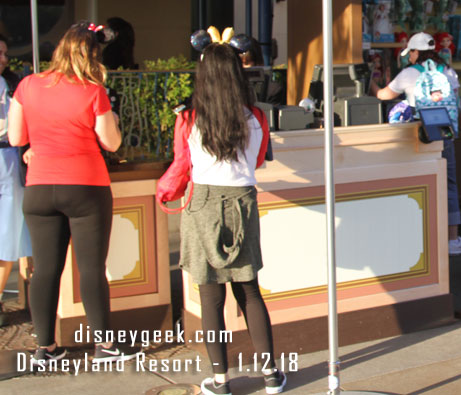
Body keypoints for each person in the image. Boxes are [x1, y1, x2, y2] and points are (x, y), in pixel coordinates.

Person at [7, 22, 138, 365]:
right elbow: (111, 142)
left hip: (39, 187)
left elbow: (17, 137)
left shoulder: (27, 85)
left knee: (46, 270)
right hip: (85, 186)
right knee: (92, 268)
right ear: (93, 56)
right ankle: (104, 345)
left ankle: (45, 348)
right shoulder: (92, 92)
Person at [168, 43, 286, 395]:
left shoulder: (187, 118)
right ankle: (270, 375)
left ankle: (220, 382)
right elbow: (262, 159)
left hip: (202, 202)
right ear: (238, 73)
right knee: (249, 291)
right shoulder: (256, 116)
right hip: (243, 203)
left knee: (210, 297)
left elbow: (180, 164)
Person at [373, 32, 461, 256]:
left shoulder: (409, 73)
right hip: (444, 132)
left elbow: (384, 96)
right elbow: (454, 99)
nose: (409, 57)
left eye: (410, 52)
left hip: (418, 134)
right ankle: (451, 239)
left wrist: (372, 84)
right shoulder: (447, 71)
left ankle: (418, 235)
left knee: (416, 183)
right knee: (449, 184)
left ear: (416, 52)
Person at [0, 33, 30, 326]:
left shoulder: (13, 84)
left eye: (5, 53)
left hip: (8, 159)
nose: (4, 59)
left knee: (8, 236)